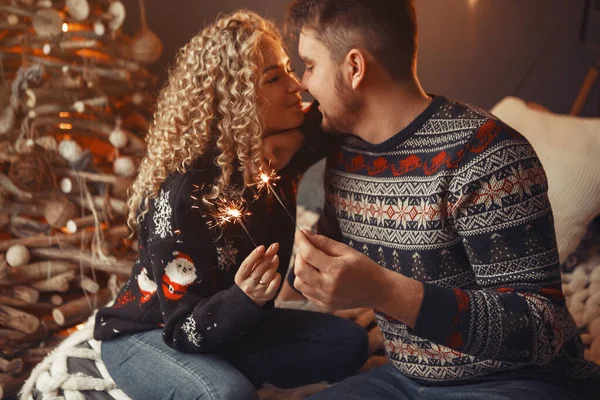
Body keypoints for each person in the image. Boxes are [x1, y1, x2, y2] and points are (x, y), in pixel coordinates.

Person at [283, 0, 600, 399]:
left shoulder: (487, 154)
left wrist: (386, 291)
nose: (301, 84)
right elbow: (327, 245)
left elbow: (544, 328)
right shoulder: (346, 152)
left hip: (513, 382)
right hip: (401, 380)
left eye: (309, 66)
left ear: (355, 67)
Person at [94, 10, 368, 400]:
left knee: (350, 345)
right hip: (150, 334)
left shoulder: (279, 150)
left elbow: (339, 114)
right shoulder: (182, 197)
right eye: (274, 78)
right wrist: (244, 300)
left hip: (235, 326)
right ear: (233, 101)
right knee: (228, 394)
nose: (297, 86)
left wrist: (287, 141)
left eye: (291, 69)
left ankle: (222, 366)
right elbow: (181, 328)